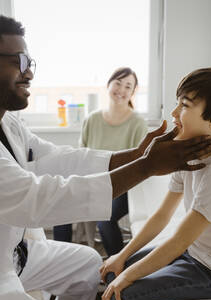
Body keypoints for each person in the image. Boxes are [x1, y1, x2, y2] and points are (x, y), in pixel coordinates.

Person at [0, 14, 211, 300]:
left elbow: (60, 159)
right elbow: (33, 201)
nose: (28, 73)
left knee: (87, 265)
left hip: (10, 256)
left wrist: (137, 155)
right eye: (19, 61)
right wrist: (147, 166)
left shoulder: (5, 123)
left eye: (30, 62)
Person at [99, 66, 211, 300]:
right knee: (113, 271)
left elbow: (179, 240)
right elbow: (162, 216)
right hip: (195, 253)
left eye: (184, 105)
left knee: (121, 295)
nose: (174, 113)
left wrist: (128, 277)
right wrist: (122, 257)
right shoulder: (188, 156)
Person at [53, 67, 148, 256]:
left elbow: (139, 164)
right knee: (60, 207)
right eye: (118, 83)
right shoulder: (93, 119)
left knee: (104, 218)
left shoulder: (138, 123)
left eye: (128, 86)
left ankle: (118, 269)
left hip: (123, 187)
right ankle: (59, 260)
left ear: (133, 92)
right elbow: (81, 156)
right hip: (91, 182)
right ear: (109, 85)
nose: (121, 90)